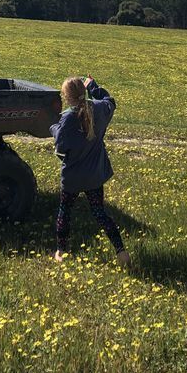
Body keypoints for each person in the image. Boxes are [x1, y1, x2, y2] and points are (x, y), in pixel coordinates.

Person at [50, 74, 130, 267]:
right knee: (100, 213)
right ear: (83, 92)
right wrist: (93, 86)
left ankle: (61, 251)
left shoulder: (68, 118)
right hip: (94, 174)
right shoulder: (99, 109)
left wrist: (53, 126)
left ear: (67, 97)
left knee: (65, 212)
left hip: (73, 177)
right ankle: (121, 252)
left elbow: (61, 146)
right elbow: (110, 101)